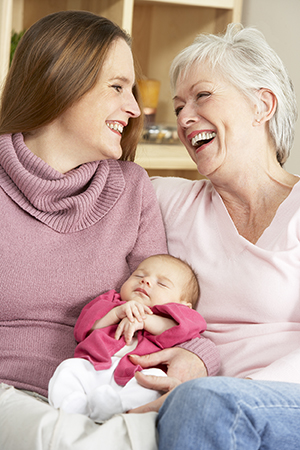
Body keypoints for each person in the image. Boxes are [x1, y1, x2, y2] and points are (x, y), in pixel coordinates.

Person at [0, 10, 220, 450]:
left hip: (107, 396)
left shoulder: (130, 188)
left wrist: (199, 359)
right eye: (117, 87)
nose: (135, 107)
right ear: (60, 82)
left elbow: (167, 297)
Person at [130, 23, 300, 449]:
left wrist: (222, 389)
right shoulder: (167, 200)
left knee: (204, 405)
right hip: (203, 407)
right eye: (179, 105)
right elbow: (83, 183)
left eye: (202, 96)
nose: (185, 117)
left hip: (281, 402)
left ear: (262, 105)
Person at [48, 254, 206, 422]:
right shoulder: (110, 301)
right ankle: (72, 407)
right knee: (69, 368)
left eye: (162, 283)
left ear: (183, 305)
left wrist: (146, 320)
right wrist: (116, 313)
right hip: (95, 365)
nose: (145, 281)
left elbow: (188, 328)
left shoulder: (176, 317)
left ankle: (117, 408)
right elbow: (83, 329)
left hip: (136, 374)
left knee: (155, 381)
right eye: (139, 275)